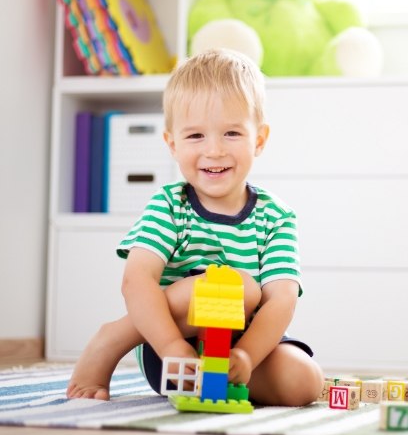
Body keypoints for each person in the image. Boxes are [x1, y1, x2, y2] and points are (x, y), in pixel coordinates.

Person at [67, 49, 324, 406]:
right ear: (172, 144)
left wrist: (247, 355)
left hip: (243, 343)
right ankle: (113, 338)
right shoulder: (170, 205)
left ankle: (219, 383)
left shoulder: (276, 216)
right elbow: (137, 280)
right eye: (196, 136)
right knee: (241, 289)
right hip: (171, 346)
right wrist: (171, 345)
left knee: (305, 382)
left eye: (232, 133)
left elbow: (282, 299)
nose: (214, 150)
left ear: (259, 140)